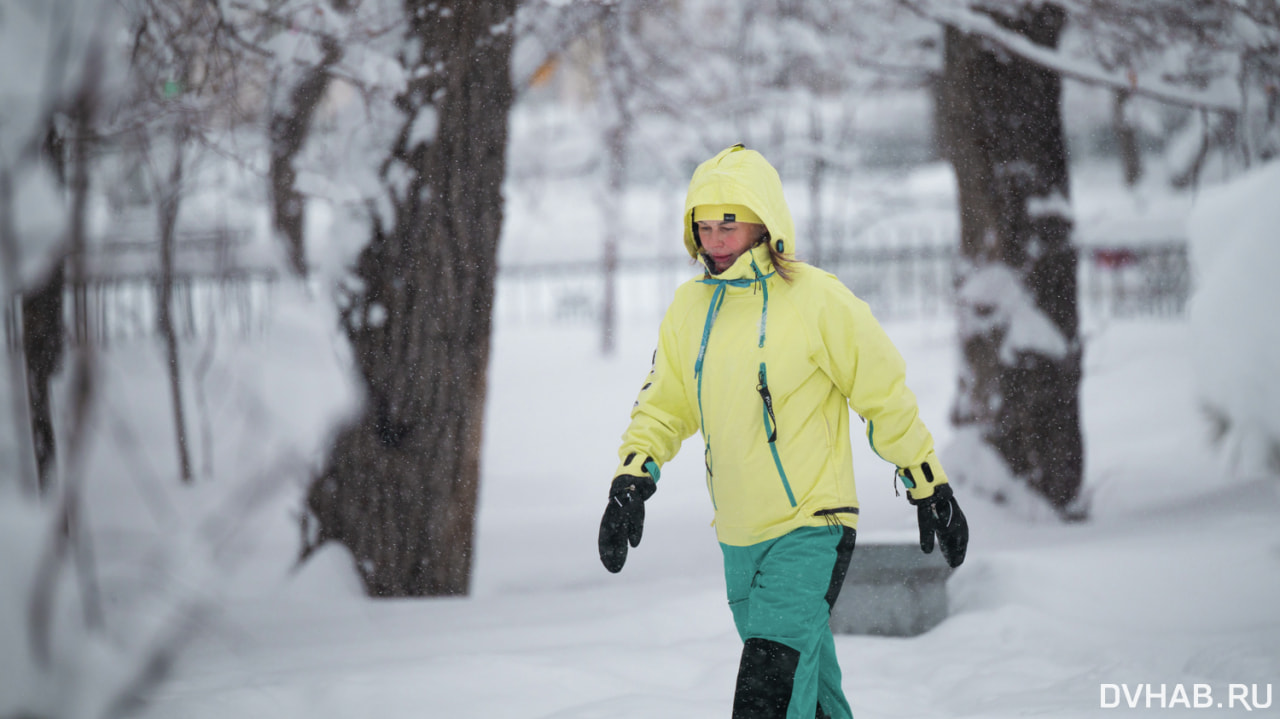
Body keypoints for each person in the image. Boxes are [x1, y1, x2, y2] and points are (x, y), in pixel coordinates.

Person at [597, 144, 969, 719]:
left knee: (765, 697)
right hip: (739, 538)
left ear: (764, 223)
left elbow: (882, 393)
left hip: (812, 528)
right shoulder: (689, 309)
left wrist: (927, 481)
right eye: (705, 221)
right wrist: (632, 478)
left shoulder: (816, 300)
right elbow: (665, 404)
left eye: (730, 220)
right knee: (811, 695)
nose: (715, 235)